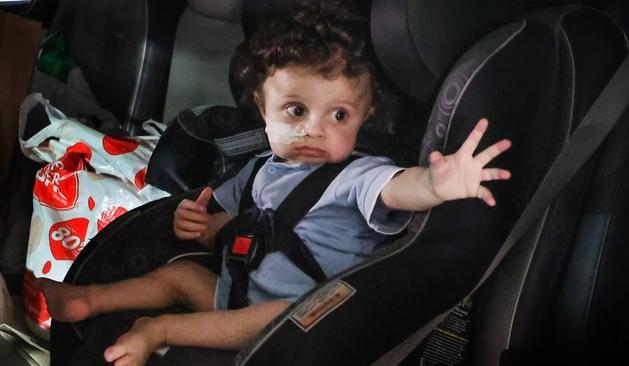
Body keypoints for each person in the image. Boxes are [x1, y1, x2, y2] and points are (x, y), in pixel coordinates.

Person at [38, 1, 512, 365]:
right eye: (295, 110)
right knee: (180, 276)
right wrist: (199, 223)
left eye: (340, 114)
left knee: (269, 316)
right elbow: (227, 224)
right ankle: (88, 298)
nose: (315, 129)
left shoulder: (356, 176)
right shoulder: (261, 167)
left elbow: (396, 189)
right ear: (261, 108)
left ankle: (156, 331)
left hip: (298, 316)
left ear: (366, 116)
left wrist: (436, 182)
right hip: (237, 291)